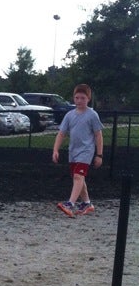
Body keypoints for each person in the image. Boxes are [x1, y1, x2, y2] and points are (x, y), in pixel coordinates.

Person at [52, 83, 103, 217]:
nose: (79, 101)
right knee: (79, 178)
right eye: (77, 98)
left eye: (83, 98)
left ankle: (70, 204)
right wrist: (55, 150)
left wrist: (99, 155)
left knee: (78, 176)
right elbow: (61, 133)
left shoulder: (92, 115)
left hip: (86, 151)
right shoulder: (69, 115)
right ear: (73, 98)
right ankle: (87, 203)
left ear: (88, 99)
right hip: (73, 151)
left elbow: (98, 135)